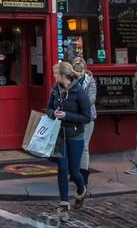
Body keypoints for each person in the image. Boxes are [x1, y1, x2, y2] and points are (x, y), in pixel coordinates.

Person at [46, 60, 91, 218]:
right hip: (59, 136)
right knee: (62, 169)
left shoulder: (79, 92)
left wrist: (67, 115)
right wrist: (53, 113)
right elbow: (48, 109)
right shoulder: (55, 90)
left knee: (74, 171)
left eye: (55, 74)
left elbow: (87, 117)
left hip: (75, 135)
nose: (54, 76)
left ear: (63, 75)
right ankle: (64, 205)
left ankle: (81, 189)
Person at [71, 57, 97, 185]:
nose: (79, 73)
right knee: (74, 147)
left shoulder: (90, 81)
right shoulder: (69, 82)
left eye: (81, 70)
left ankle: (84, 174)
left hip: (87, 118)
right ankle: (75, 172)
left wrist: (76, 104)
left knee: (84, 146)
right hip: (73, 118)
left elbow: (91, 99)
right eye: (77, 71)